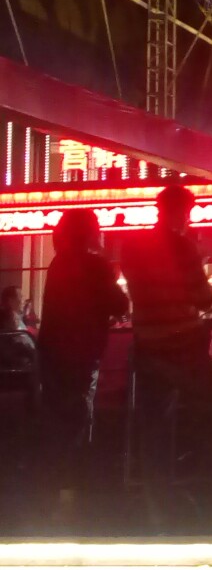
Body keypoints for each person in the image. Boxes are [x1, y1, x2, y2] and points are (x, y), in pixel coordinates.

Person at [119, 185, 212, 529]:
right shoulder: (183, 246)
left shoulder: (132, 246)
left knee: (154, 425)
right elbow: (203, 298)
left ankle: (157, 501)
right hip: (183, 341)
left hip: (147, 342)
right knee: (209, 411)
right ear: (182, 211)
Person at [36, 209, 130, 515]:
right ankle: (75, 486)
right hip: (82, 352)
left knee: (56, 418)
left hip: (53, 352)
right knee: (78, 415)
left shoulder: (58, 263)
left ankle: (53, 488)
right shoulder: (95, 264)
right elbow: (120, 303)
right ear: (88, 232)